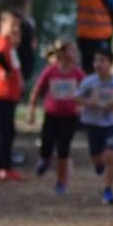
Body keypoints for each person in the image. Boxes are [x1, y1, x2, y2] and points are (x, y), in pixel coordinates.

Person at [29, 38, 84, 194]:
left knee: (63, 150)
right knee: (46, 143)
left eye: (75, 51)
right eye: (72, 50)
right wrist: (32, 110)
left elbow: (87, 90)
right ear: (63, 53)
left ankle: (61, 182)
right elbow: (37, 89)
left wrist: (82, 107)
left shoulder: (77, 73)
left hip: (69, 116)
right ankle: (45, 159)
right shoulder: (51, 70)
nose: (75, 54)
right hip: (51, 114)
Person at [76, 48, 113, 205]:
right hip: (93, 124)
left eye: (102, 60)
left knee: (110, 155)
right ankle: (98, 165)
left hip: (110, 124)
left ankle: (108, 190)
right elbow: (76, 98)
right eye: (96, 60)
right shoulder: (88, 82)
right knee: (98, 159)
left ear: (111, 63)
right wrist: (90, 103)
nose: (99, 64)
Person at [0, 9, 23, 181]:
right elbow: (0, 56)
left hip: (8, 93)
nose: (15, 28)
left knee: (1, 131)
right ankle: (4, 167)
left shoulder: (7, 43)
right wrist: (7, 70)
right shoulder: (2, 42)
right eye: (12, 24)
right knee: (5, 131)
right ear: (2, 24)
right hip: (4, 93)